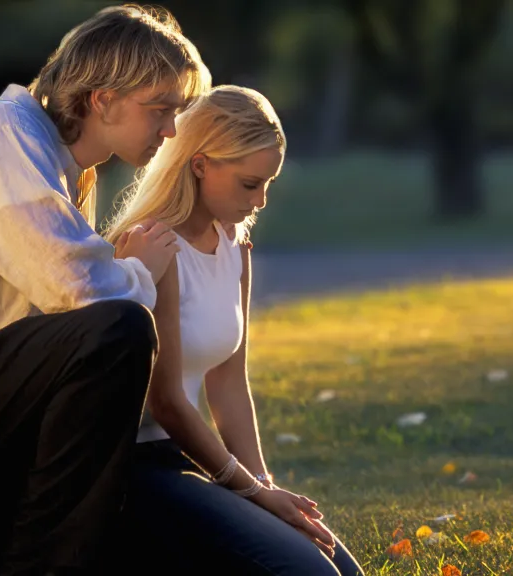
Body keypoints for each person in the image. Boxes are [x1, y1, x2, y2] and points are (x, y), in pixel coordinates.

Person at [0, 4, 210, 575]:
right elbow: (80, 288)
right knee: (118, 329)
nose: (171, 130)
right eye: (160, 110)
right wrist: (139, 271)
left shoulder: (68, 166)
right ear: (103, 99)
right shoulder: (5, 136)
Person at [103, 85, 365, 575]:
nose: (262, 200)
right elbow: (167, 405)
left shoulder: (233, 246)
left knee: (342, 570)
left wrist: (263, 482)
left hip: (192, 458)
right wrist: (247, 489)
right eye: (250, 184)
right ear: (200, 164)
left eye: (268, 183)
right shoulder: (153, 248)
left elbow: (228, 385)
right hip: (136, 463)